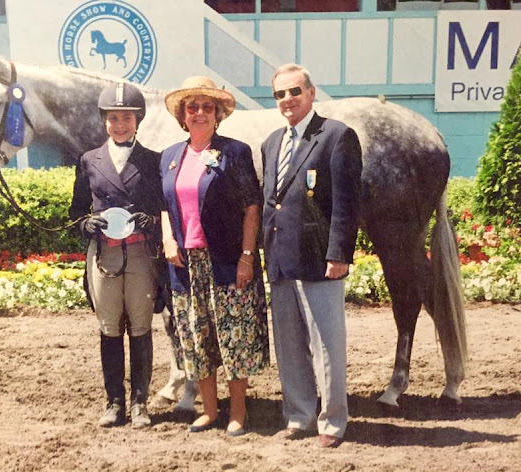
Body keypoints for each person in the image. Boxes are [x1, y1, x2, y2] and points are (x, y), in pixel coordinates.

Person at [160, 76, 270, 437]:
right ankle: (209, 411)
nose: (200, 113)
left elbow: (251, 207)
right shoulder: (170, 157)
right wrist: (168, 240)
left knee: (233, 336)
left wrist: (247, 256)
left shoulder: (235, 152)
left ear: (218, 114)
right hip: (185, 263)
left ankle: (237, 412)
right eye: (192, 107)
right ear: (182, 115)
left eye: (207, 107)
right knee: (197, 337)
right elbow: (164, 205)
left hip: (225, 259)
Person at [261, 64, 362, 448]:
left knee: (327, 348)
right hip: (281, 260)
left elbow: (346, 203)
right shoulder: (271, 142)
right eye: (280, 94)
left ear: (311, 92)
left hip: (320, 260)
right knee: (289, 347)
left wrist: (339, 254)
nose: (287, 100)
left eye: (294, 91)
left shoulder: (336, 136)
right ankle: (299, 416)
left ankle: (332, 423)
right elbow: (272, 201)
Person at [69, 82, 163, 429]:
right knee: (109, 327)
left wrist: (152, 221)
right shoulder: (89, 160)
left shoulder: (153, 160)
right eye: (113, 118)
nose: (120, 125)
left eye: (126, 118)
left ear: (138, 120)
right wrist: (86, 224)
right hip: (104, 255)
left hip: (139, 253)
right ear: (104, 121)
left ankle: (140, 402)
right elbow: (76, 210)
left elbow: (163, 209)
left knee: (140, 325)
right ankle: (114, 402)